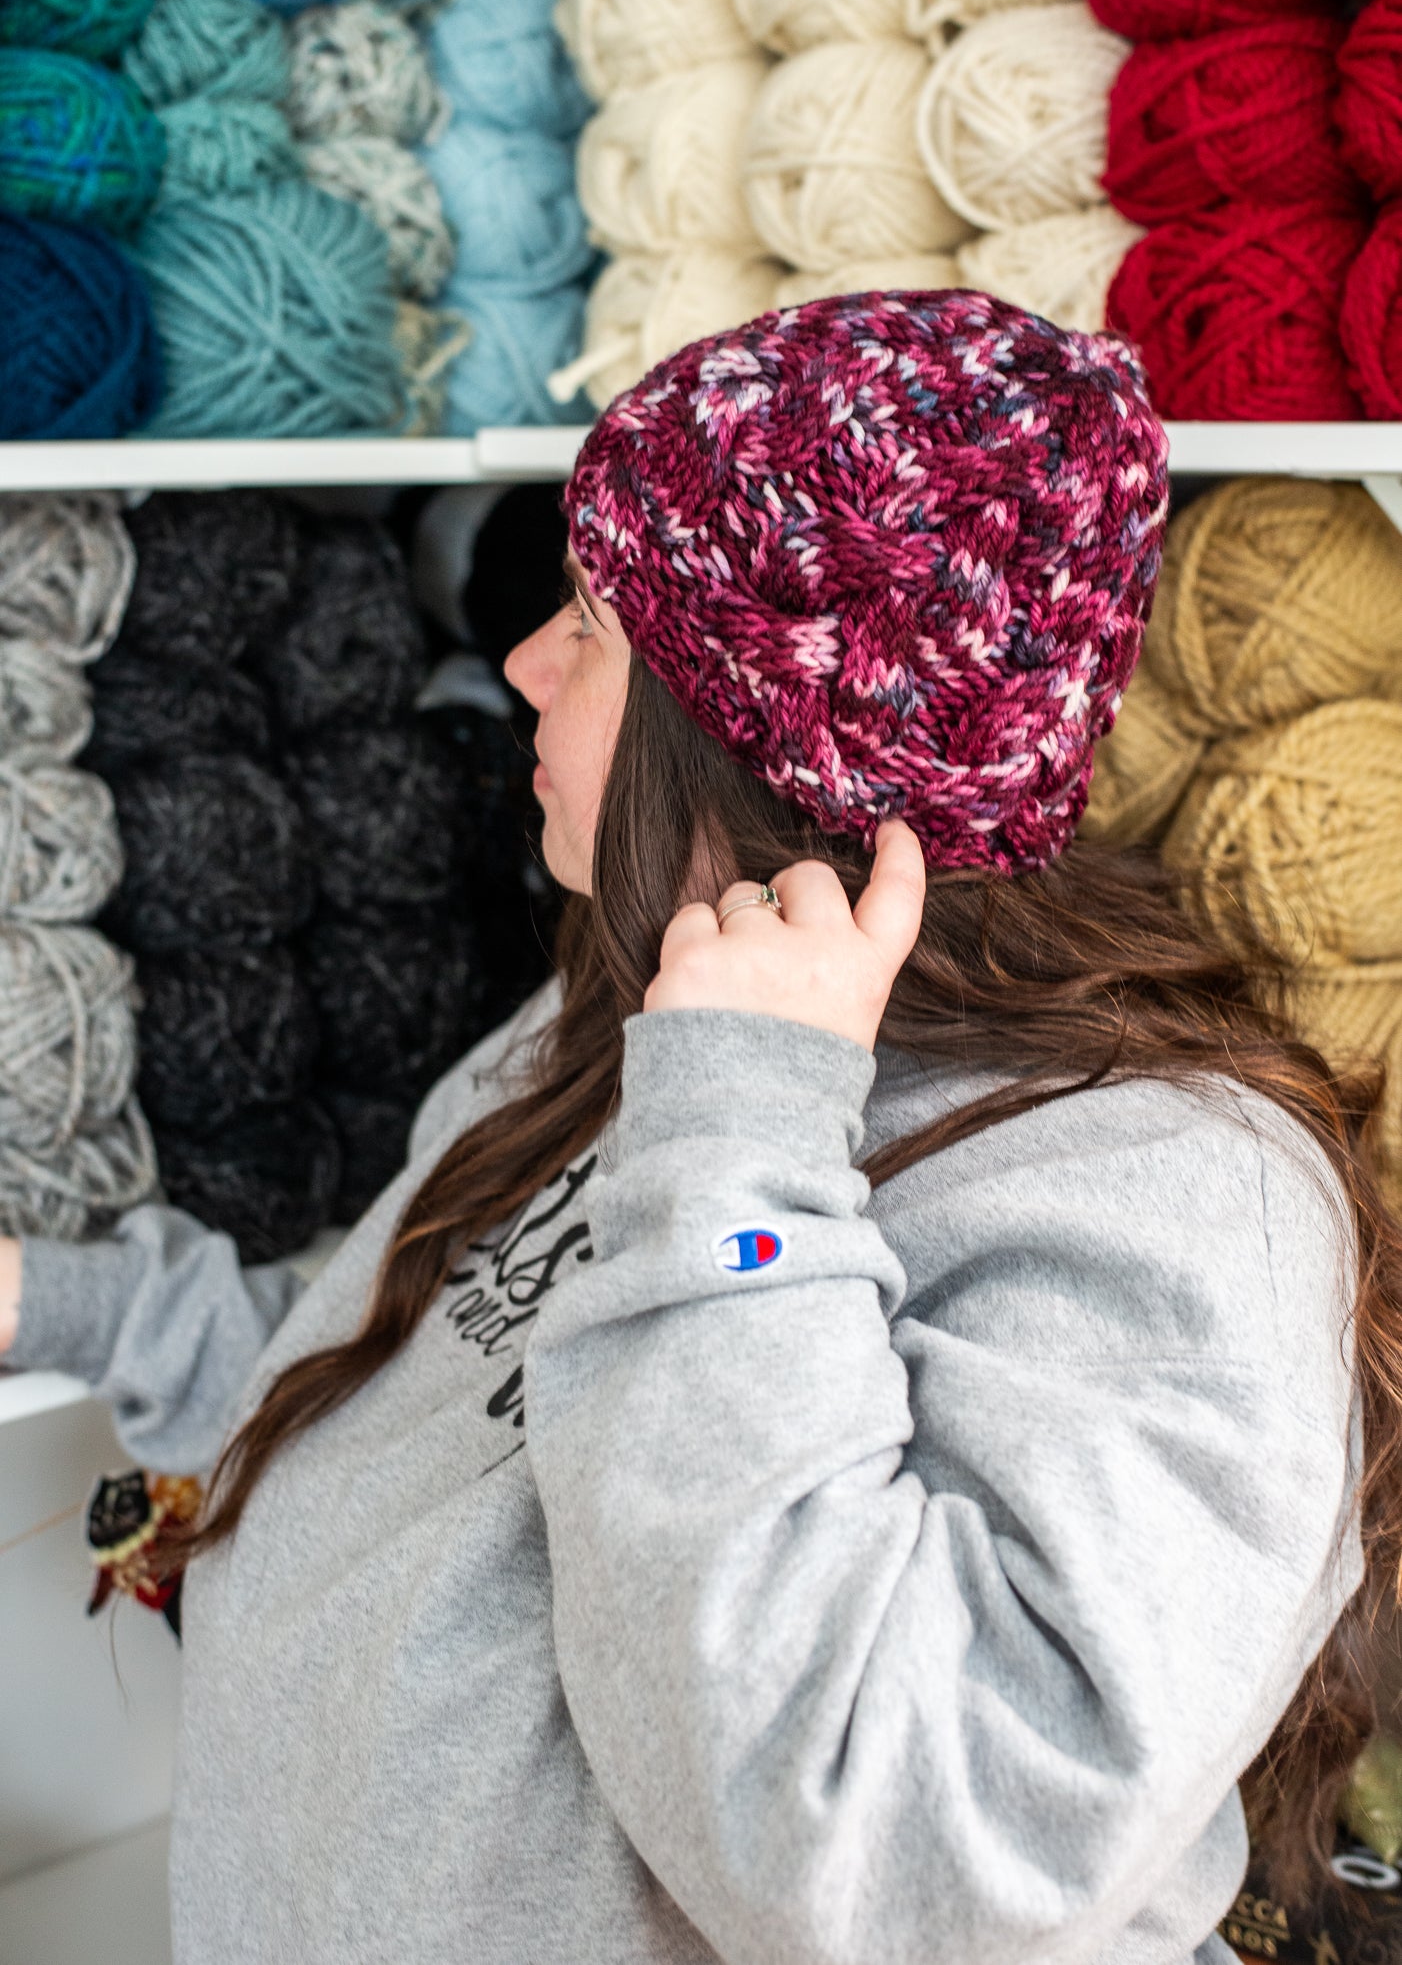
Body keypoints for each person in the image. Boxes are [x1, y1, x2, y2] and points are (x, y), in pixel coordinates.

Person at [0, 291, 1394, 1965]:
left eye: (590, 621)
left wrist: (741, 1143)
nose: (522, 662)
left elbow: (898, 1855)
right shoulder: (634, 1021)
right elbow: (421, 1424)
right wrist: (55, 1304)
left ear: (758, 729)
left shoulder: (1162, 1192)